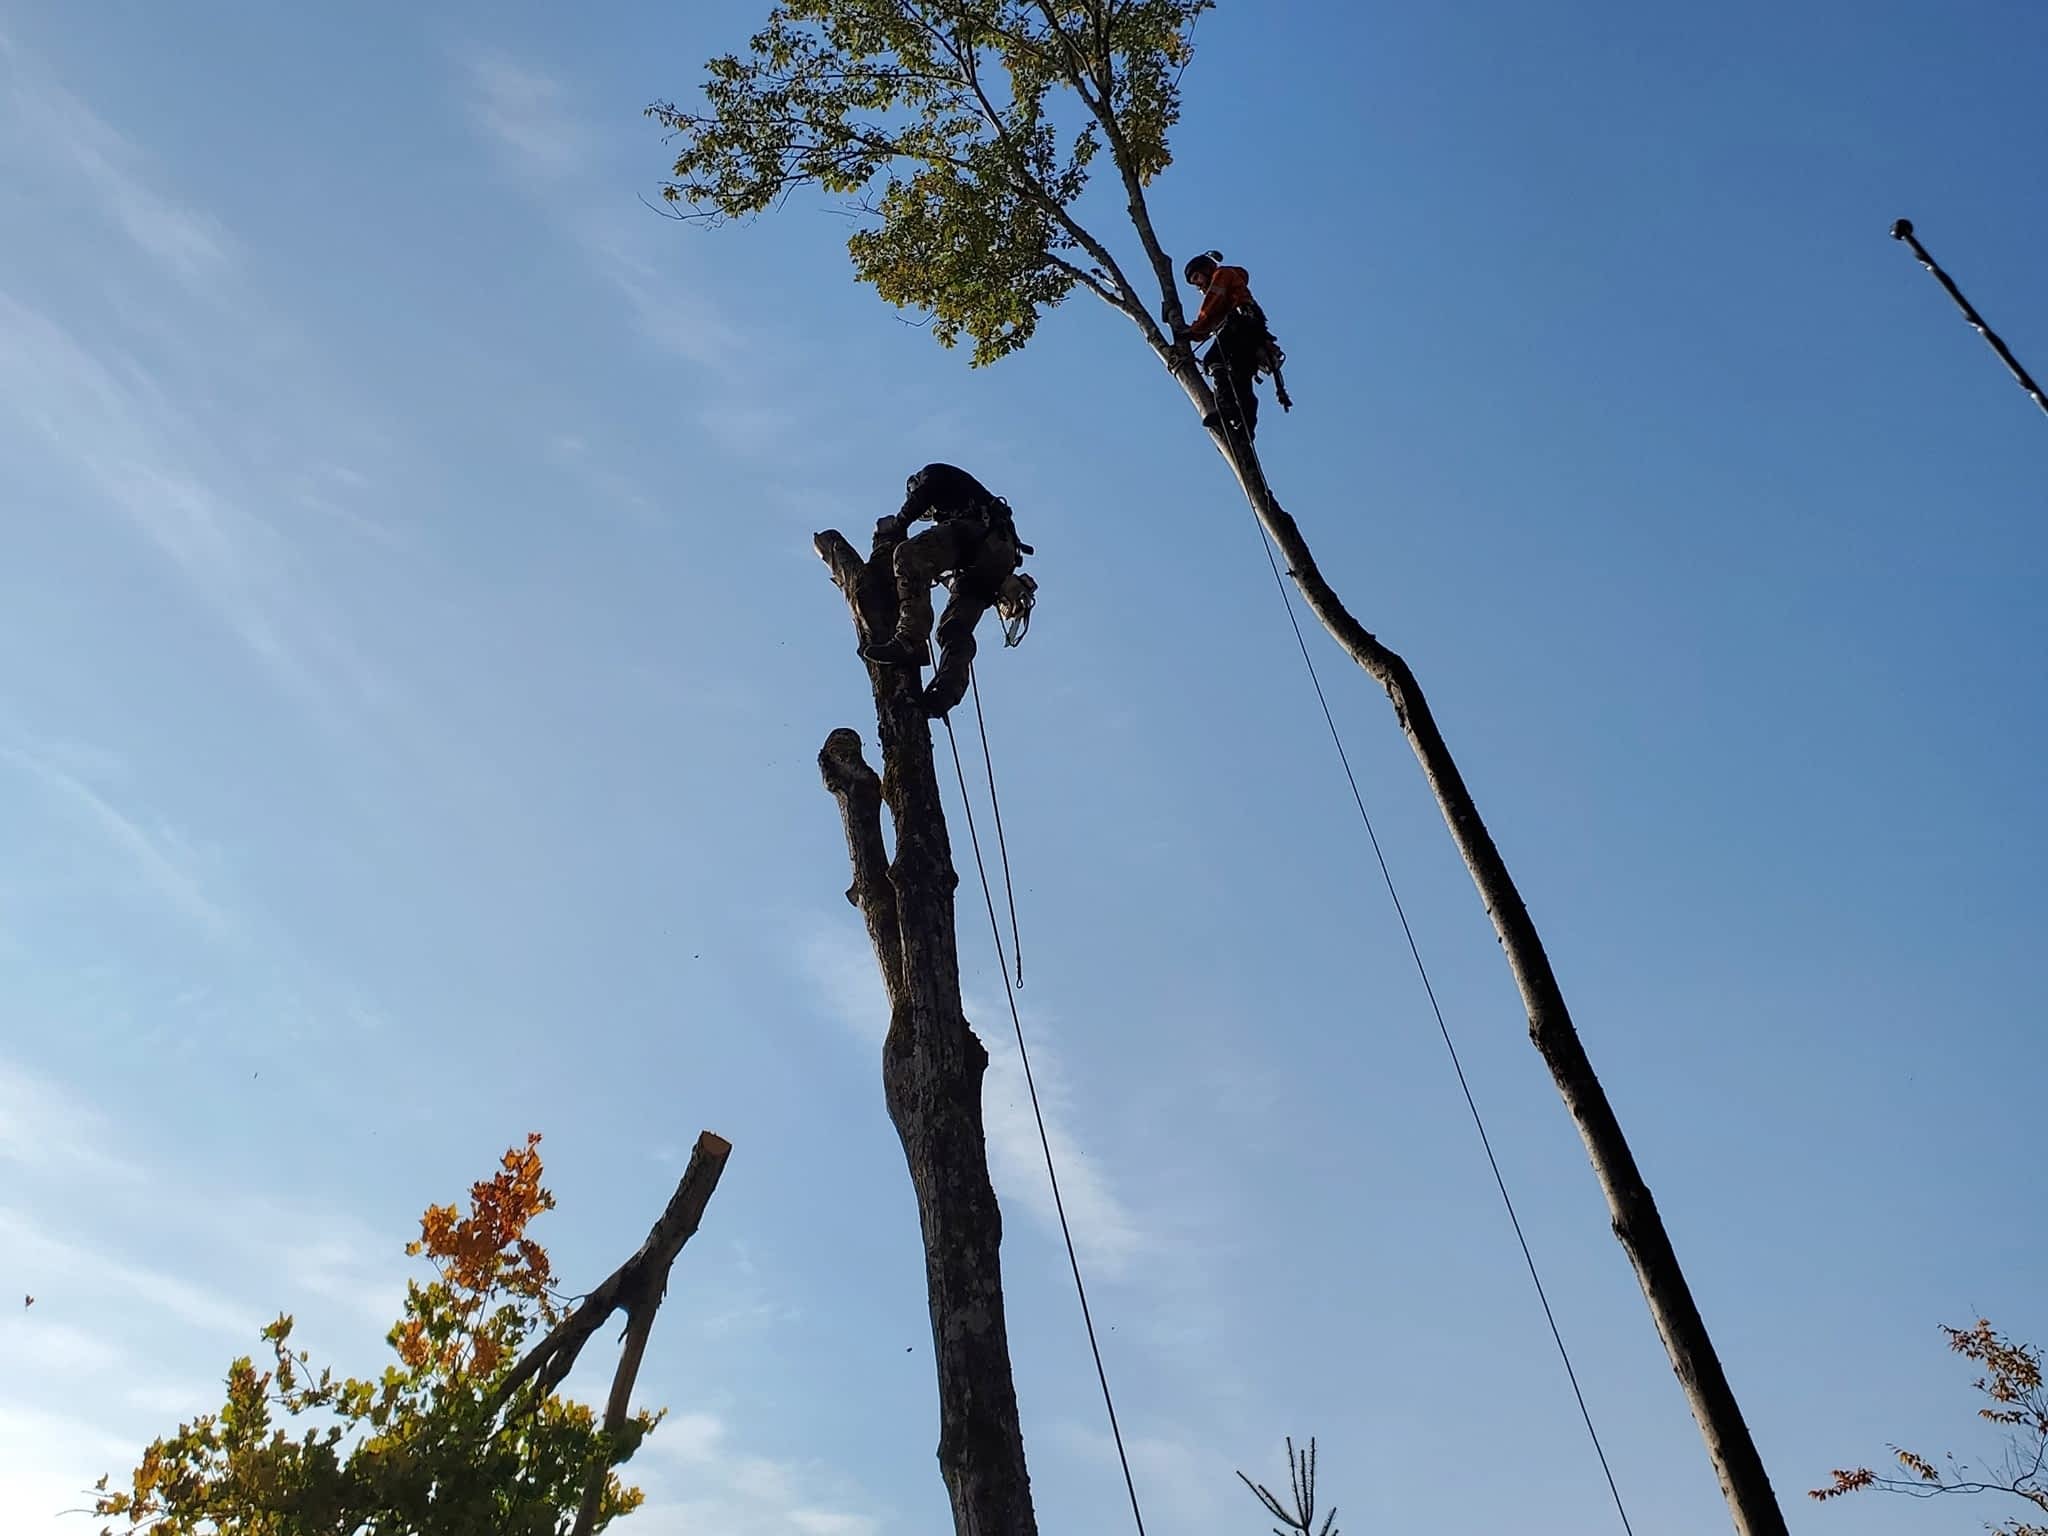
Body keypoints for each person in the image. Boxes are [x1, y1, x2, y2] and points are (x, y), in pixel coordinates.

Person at [860, 463, 1035, 717]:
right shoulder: (965, 502)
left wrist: (898, 524)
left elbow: (926, 494)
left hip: (978, 535)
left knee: (908, 555)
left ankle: (910, 639)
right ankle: (945, 693)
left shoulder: (933, 475)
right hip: (997, 558)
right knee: (954, 628)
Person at [1176, 250, 1289, 442]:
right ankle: (1245, 427)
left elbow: (1210, 308)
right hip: (1249, 332)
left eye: (1196, 277)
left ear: (1207, 269)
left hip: (1241, 324)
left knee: (1213, 359)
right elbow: (1212, 322)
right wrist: (1193, 333)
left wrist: (1191, 330)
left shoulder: (1223, 275)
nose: (1197, 284)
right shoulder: (1227, 292)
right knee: (1240, 377)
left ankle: (1226, 406)